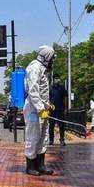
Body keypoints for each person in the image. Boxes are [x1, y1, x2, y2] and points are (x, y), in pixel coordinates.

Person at [23, 45, 55, 176]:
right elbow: (33, 91)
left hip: (42, 109)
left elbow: (42, 91)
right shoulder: (34, 67)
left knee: (43, 136)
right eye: (51, 58)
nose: (52, 61)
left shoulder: (42, 68)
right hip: (33, 109)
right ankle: (30, 166)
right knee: (33, 136)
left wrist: (47, 105)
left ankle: (40, 165)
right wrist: (41, 108)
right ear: (46, 57)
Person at [49, 74, 67, 146]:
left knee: (61, 125)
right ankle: (51, 140)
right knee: (51, 125)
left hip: (60, 109)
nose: (57, 79)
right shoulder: (50, 88)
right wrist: (49, 106)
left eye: (58, 78)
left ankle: (62, 140)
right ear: (53, 79)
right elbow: (48, 98)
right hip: (52, 109)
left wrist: (65, 108)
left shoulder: (62, 87)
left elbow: (65, 97)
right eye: (55, 78)